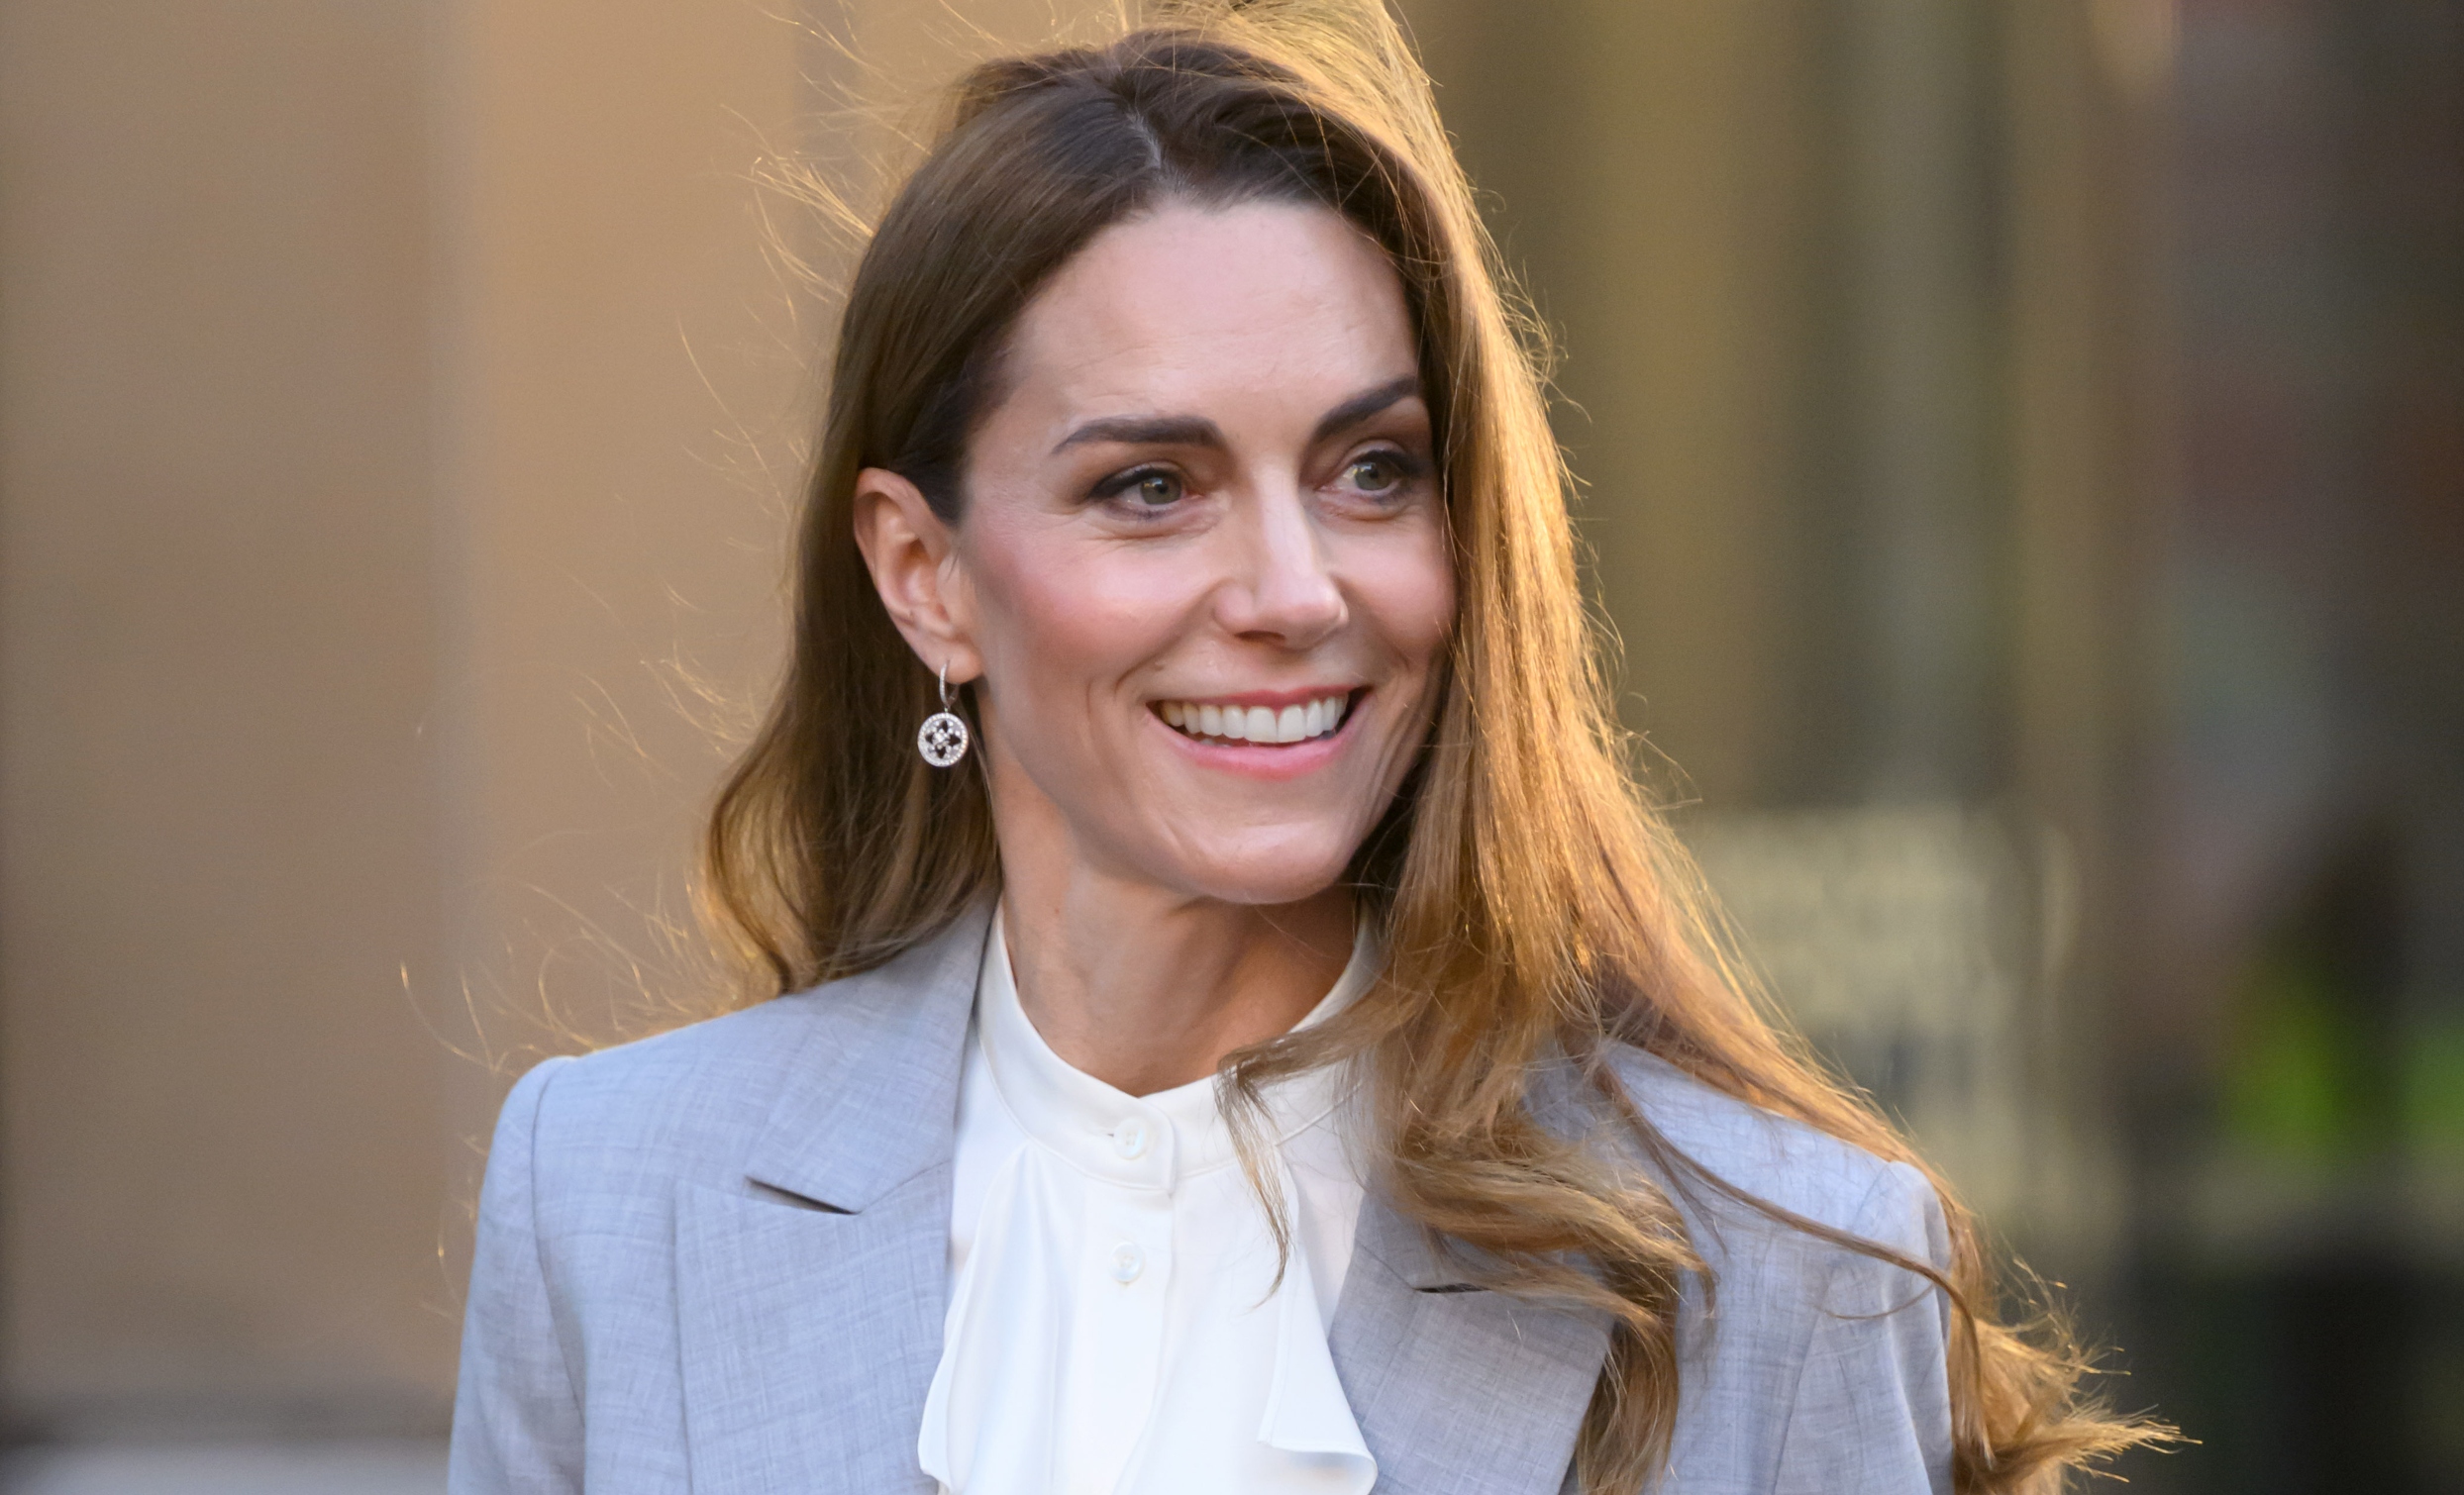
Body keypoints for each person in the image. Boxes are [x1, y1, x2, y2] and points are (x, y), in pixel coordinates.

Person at [448, 3, 2162, 1492]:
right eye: (1151, 486)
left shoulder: (1791, 1274)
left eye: (1371, 471)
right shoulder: (613, 1197)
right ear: (926, 575)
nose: (1293, 591)